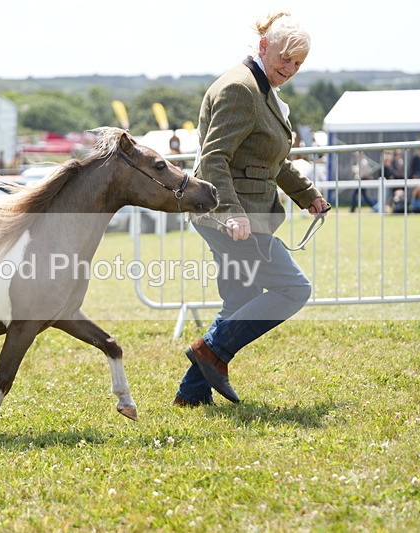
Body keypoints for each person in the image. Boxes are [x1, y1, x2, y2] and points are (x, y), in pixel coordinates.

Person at [173, 12, 328, 407]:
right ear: (263, 47)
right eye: (284, 58)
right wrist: (232, 213)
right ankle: (210, 351)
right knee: (294, 288)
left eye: (298, 63)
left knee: (239, 303)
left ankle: (191, 395)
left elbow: (270, 158)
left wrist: (306, 193)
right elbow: (213, 158)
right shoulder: (241, 88)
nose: (289, 68)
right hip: (233, 219)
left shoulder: (261, 89)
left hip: (241, 216)